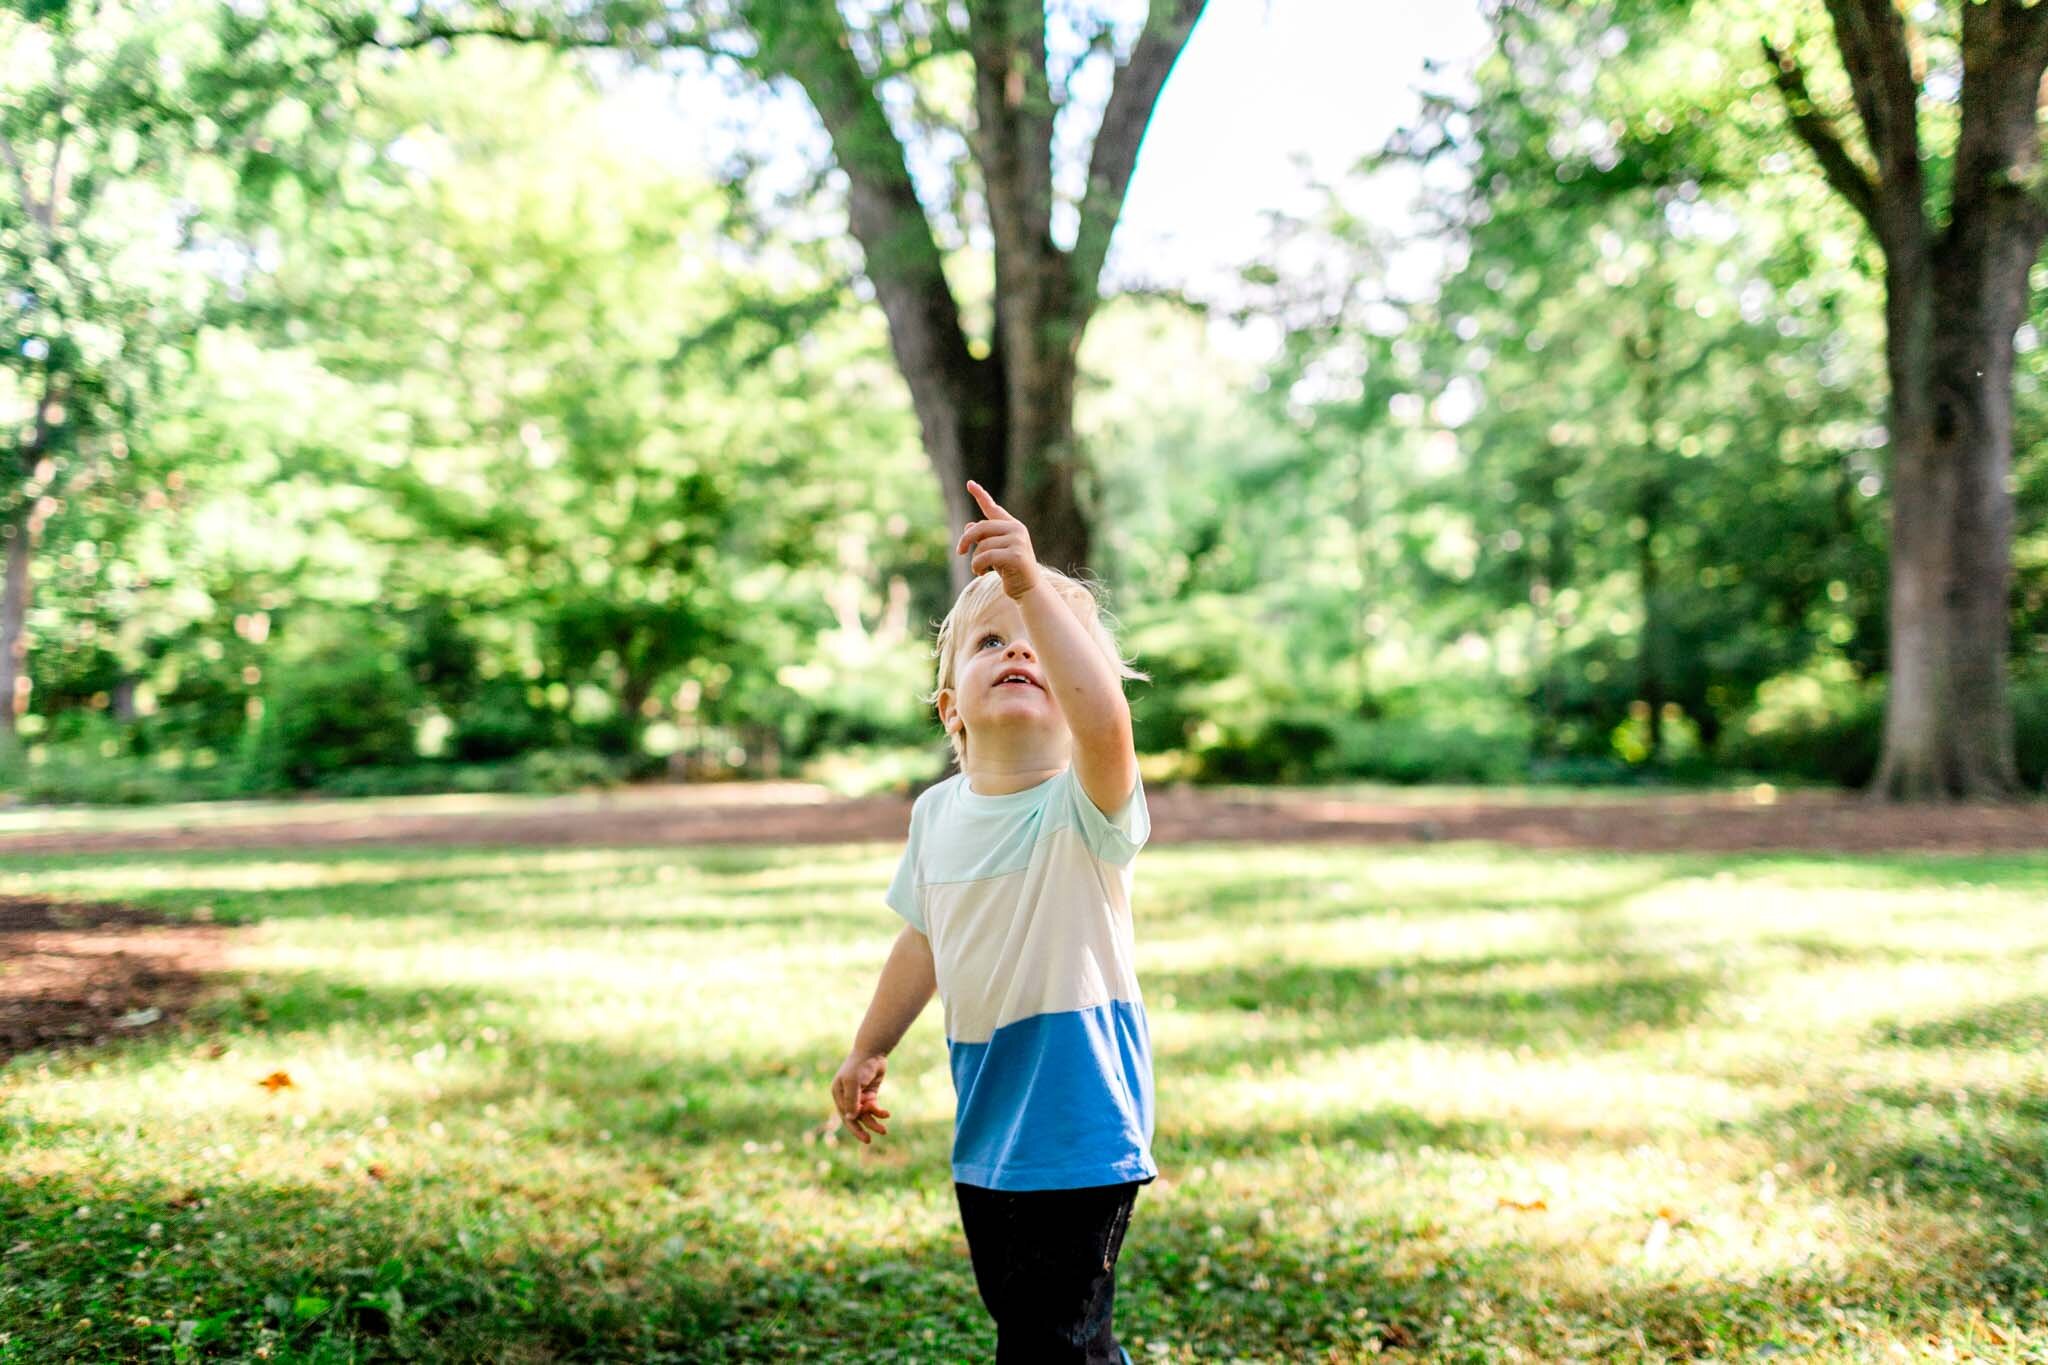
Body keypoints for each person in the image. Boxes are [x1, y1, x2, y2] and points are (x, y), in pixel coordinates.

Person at [831, 479, 1158, 1365]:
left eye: (1045, 646)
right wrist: (870, 1044)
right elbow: (923, 937)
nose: (1020, 649)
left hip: (1081, 1113)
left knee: (1046, 1339)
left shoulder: (1085, 805)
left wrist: (1031, 590)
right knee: (1039, 1323)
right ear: (951, 710)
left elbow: (1106, 717)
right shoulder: (937, 816)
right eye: (991, 642)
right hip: (990, 1116)